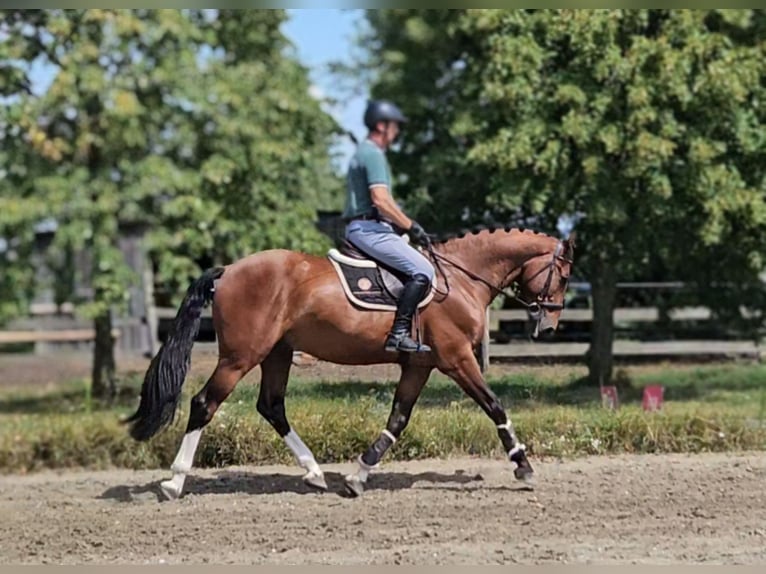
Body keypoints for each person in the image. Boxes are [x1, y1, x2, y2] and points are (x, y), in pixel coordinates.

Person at [342, 100, 435, 353]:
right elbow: (381, 200)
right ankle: (398, 334)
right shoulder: (373, 154)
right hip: (369, 228)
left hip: (368, 226)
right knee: (424, 270)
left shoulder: (364, 151)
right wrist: (412, 226)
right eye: (394, 127)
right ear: (381, 126)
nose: (397, 133)